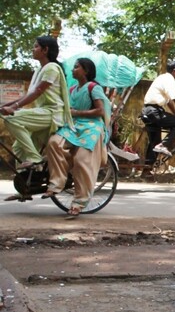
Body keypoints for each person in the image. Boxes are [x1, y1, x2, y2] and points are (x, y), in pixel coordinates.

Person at [0, 36, 72, 196]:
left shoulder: (52, 68)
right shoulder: (39, 70)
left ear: (45, 50)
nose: (33, 49)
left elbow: (38, 91)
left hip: (53, 113)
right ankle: (28, 185)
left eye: (36, 46)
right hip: (43, 113)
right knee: (18, 149)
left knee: (12, 119)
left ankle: (35, 158)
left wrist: (14, 108)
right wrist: (5, 106)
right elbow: (30, 93)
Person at [43, 58, 112, 218]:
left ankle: (79, 203)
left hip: (91, 126)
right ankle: (57, 182)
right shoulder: (72, 89)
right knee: (54, 142)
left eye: (76, 67)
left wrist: (77, 113)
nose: (73, 70)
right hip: (74, 125)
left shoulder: (94, 88)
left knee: (81, 161)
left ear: (86, 71)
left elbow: (100, 111)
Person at [140, 61, 175, 170]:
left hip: (148, 111)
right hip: (154, 111)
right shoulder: (169, 79)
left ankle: (146, 171)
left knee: (154, 143)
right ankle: (164, 145)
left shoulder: (162, 78)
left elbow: (169, 101)